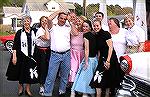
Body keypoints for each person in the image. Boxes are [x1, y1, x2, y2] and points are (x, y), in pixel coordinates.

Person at [43, 10, 78, 97]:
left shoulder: (68, 27)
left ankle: (62, 91)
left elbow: (76, 33)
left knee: (65, 76)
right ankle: (47, 93)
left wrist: (70, 21)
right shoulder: (53, 27)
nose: (62, 20)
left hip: (66, 54)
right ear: (58, 18)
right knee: (51, 76)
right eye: (61, 18)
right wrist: (60, 11)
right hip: (55, 55)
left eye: (64, 19)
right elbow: (49, 18)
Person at [6, 15, 38, 97]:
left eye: (28, 21)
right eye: (25, 21)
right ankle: (20, 88)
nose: (26, 22)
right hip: (21, 56)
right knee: (21, 72)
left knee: (29, 73)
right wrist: (14, 56)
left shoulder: (35, 31)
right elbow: (15, 46)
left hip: (32, 56)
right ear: (22, 22)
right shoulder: (19, 32)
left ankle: (28, 89)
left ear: (30, 22)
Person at [90, 20, 122, 97]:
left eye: (97, 25)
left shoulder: (106, 34)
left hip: (110, 58)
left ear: (101, 26)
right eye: (94, 26)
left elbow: (111, 48)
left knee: (106, 80)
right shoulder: (96, 36)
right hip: (102, 59)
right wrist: (99, 60)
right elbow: (99, 50)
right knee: (98, 80)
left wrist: (108, 61)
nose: (96, 27)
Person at [71, 20, 98, 97]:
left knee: (84, 77)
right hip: (93, 59)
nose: (84, 28)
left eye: (86, 26)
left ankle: (80, 92)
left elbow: (86, 49)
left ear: (90, 27)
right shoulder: (94, 34)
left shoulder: (86, 35)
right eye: (83, 26)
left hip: (90, 59)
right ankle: (84, 93)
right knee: (86, 76)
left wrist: (86, 62)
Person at [68, 15, 87, 85]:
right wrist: (72, 23)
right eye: (77, 20)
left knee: (80, 69)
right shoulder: (73, 30)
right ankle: (72, 84)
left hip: (82, 53)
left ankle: (78, 85)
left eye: (80, 21)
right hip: (73, 53)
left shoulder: (85, 33)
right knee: (73, 68)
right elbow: (75, 33)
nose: (78, 22)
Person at [35, 16, 51, 95]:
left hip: (48, 51)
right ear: (40, 22)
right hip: (41, 52)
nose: (44, 22)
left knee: (49, 69)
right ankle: (41, 86)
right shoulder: (40, 31)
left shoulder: (49, 29)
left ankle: (47, 85)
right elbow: (47, 38)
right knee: (42, 69)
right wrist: (47, 28)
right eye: (42, 21)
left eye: (46, 21)